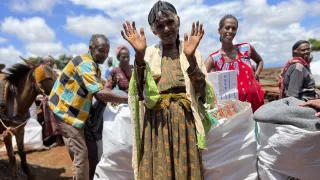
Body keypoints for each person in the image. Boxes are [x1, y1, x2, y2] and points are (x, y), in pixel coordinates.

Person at [122, 1, 216, 179]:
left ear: (178, 22)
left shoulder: (193, 53)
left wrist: (191, 60)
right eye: (160, 26)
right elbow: (139, 93)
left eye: (170, 23)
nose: (166, 29)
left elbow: (204, 95)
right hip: (156, 125)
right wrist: (139, 57)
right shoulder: (148, 54)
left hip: (184, 123)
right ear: (153, 31)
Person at [48, 34, 128, 180]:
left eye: (106, 52)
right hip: (65, 112)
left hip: (78, 112)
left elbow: (100, 85)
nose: (104, 55)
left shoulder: (93, 65)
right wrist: (129, 99)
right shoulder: (84, 63)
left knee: (91, 149)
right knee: (81, 154)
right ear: (91, 48)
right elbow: (100, 94)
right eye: (100, 50)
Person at [204, 14, 264, 112]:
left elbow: (260, 61)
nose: (230, 31)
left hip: (255, 99)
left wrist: (256, 75)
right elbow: (200, 77)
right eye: (227, 28)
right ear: (219, 31)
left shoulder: (246, 48)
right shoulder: (214, 58)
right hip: (234, 108)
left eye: (234, 28)